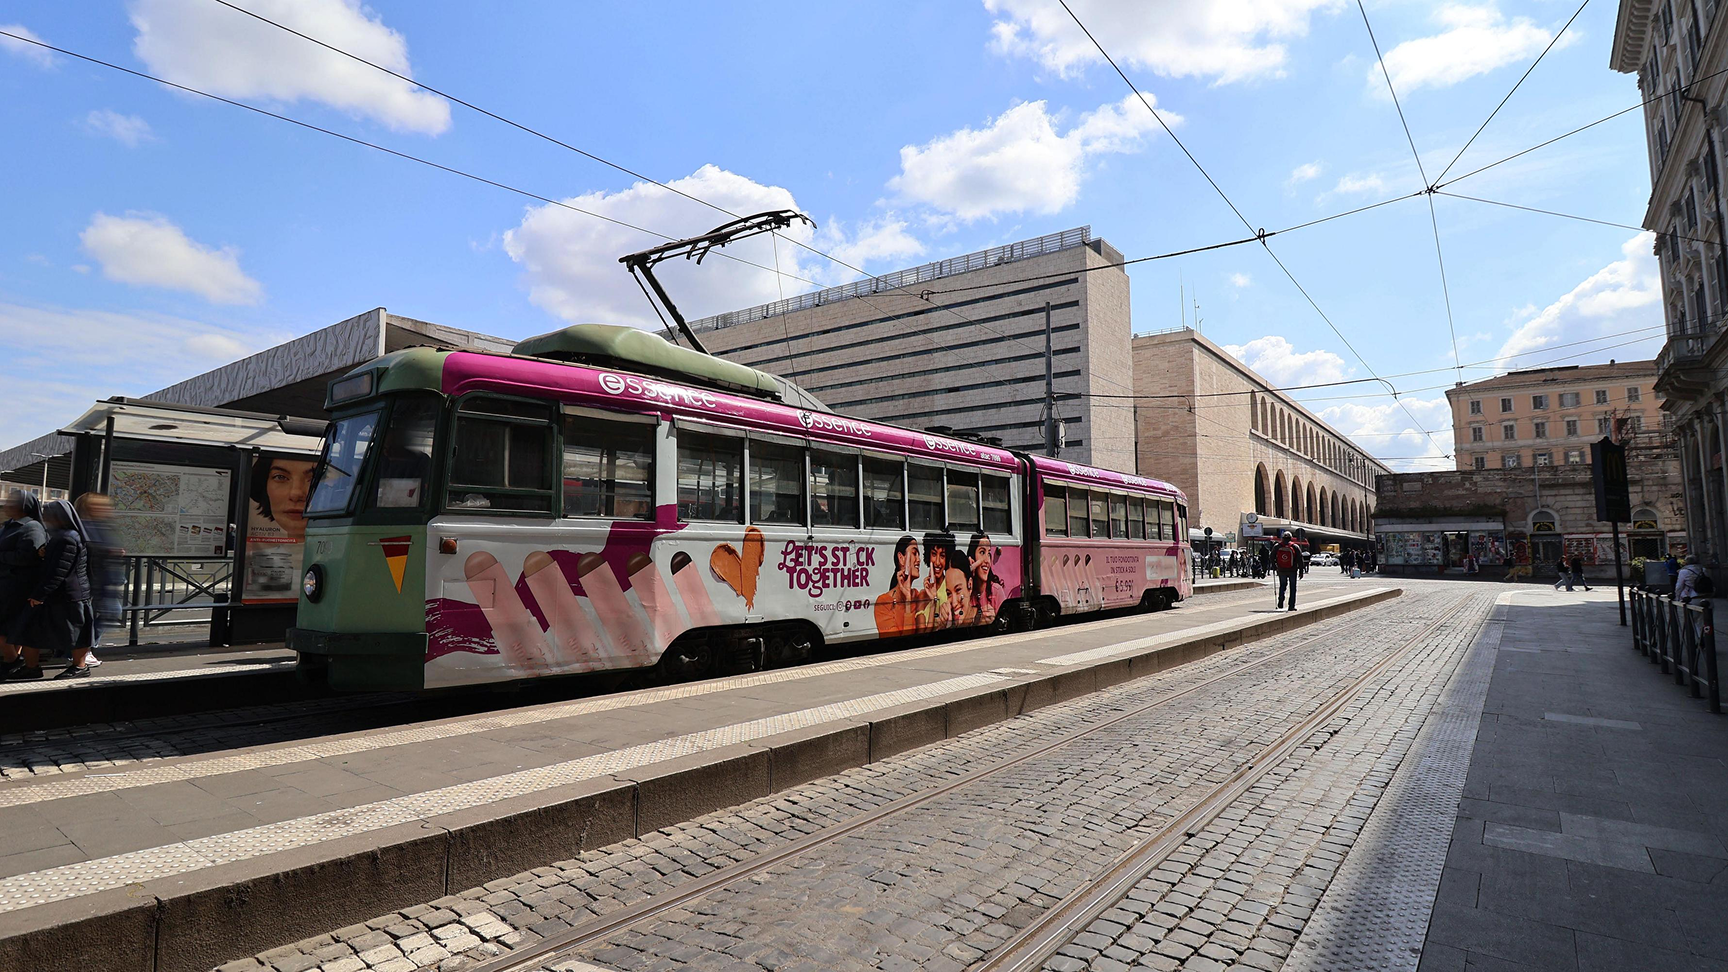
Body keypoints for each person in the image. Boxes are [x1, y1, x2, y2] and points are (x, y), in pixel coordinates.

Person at [27, 501, 96, 679]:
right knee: (70, 630)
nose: (45, 518)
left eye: (48, 515)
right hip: (67, 593)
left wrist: (40, 594)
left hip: (71, 594)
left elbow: (59, 570)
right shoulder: (65, 536)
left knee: (76, 632)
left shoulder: (67, 538)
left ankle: (80, 666)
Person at [0, 491, 47, 680]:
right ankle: (11, 661)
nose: (6, 505)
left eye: (11, 502)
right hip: (5, 583)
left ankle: (13, 661)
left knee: (8, 626)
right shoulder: (9, 525)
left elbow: (28, 557)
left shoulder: (31, 527)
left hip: (16, 585)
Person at [74, 493, 120, 665]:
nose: (106, 509)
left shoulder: (101, 526)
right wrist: (107, 551)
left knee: (104, 614)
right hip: (93, 580)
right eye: (100, 506)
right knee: (98, 615)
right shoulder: (85, 526)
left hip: (103, 580)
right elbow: (88, 551)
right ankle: (83, 651)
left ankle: (84, 650)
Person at [1272, 530, 1302, 612]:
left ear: (1282, 538)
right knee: (1293, 588)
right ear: (1291, 538)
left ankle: (1281, 601)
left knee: (1282, 585)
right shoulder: (1295, 546)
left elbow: (1271, 556)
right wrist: (1301, 571)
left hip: (1281, 569)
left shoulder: (1277, 546)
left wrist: (1274, 566)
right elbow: (1300, 559)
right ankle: (1291, 606)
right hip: (1292, 569)